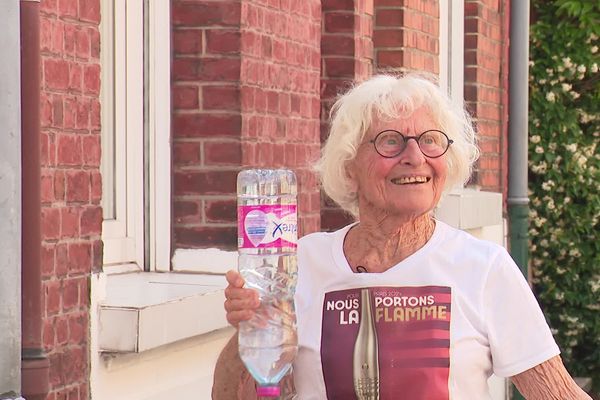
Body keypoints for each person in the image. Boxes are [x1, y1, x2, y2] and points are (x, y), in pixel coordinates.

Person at [212, 73, 590, 400]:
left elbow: (555, 392)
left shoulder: (483, 268)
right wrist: (250, 329)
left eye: (430, 140)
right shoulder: (302, 262)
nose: (414, 156)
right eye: (390, 141)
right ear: (349, 165)